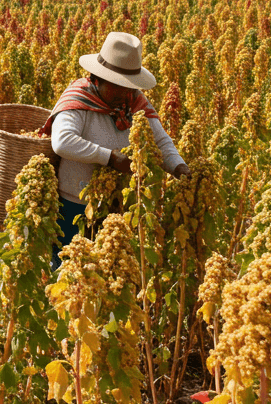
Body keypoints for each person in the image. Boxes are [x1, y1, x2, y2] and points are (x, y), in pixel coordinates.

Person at [47, 32, 190, 249]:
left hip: (118, 207)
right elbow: (62, 141)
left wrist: (179, 168)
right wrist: (110, 157)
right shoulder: (79, 98)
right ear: (98, 78)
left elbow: (160, 142)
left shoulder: (135, 102)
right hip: (75, 203)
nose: (125, 93)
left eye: (130, 86)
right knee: (69, 270)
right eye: (117, 85)